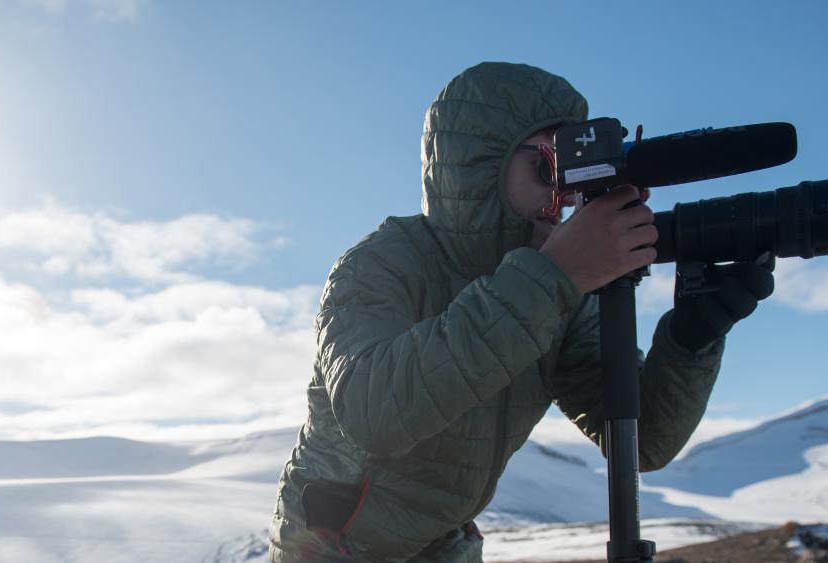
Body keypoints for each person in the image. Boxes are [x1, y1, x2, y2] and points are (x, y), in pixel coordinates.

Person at [267, 62, 774, 562]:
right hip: (329, 548)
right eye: (547, 169)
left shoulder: (555, 290)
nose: (566, 199)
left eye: (572, 181)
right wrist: (553, 279)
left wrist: (691, 338)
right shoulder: (381, 264)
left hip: (443, 547)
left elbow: (643, 445)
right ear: (479, 166)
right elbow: (372, 412)